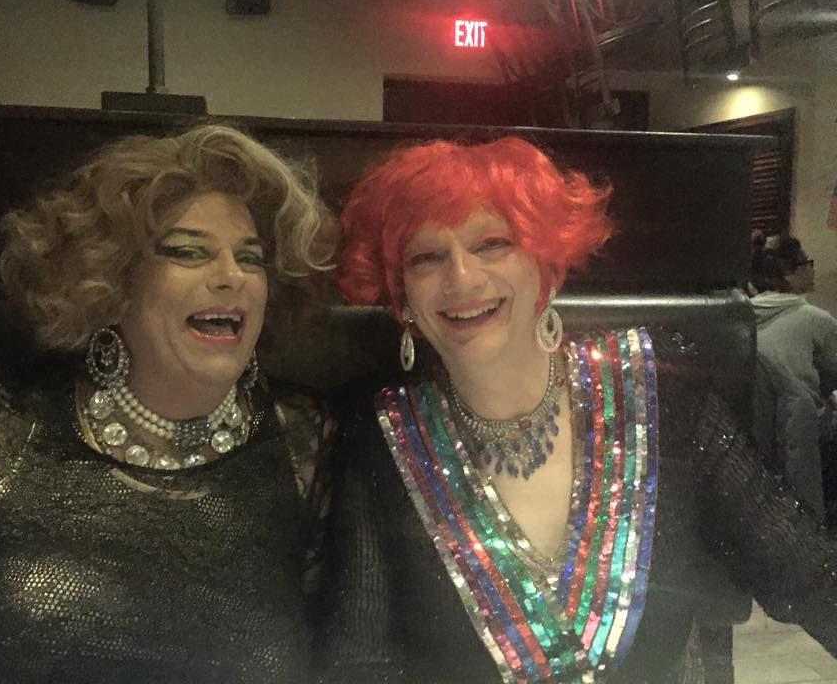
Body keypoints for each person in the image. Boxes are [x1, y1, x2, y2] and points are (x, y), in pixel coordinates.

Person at [319, 137, 837, 684]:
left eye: (492, 244)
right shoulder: (385, 436)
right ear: (402, 295)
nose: (462, 278)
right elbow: (361, 662)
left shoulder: (661, 395)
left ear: (545, 263)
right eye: (426, 257)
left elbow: (809, 576)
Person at [0, 125, 338, 683]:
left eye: (251, 258)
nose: (231, 277)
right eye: (187, 252)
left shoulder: (305, 443)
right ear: (112, 281)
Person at [750, 234, 837, 521]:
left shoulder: (746, 314)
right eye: (807, 263)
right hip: (801, 427)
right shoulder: (815, 319)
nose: (812, 268)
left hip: (761, 427)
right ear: (789, 273)